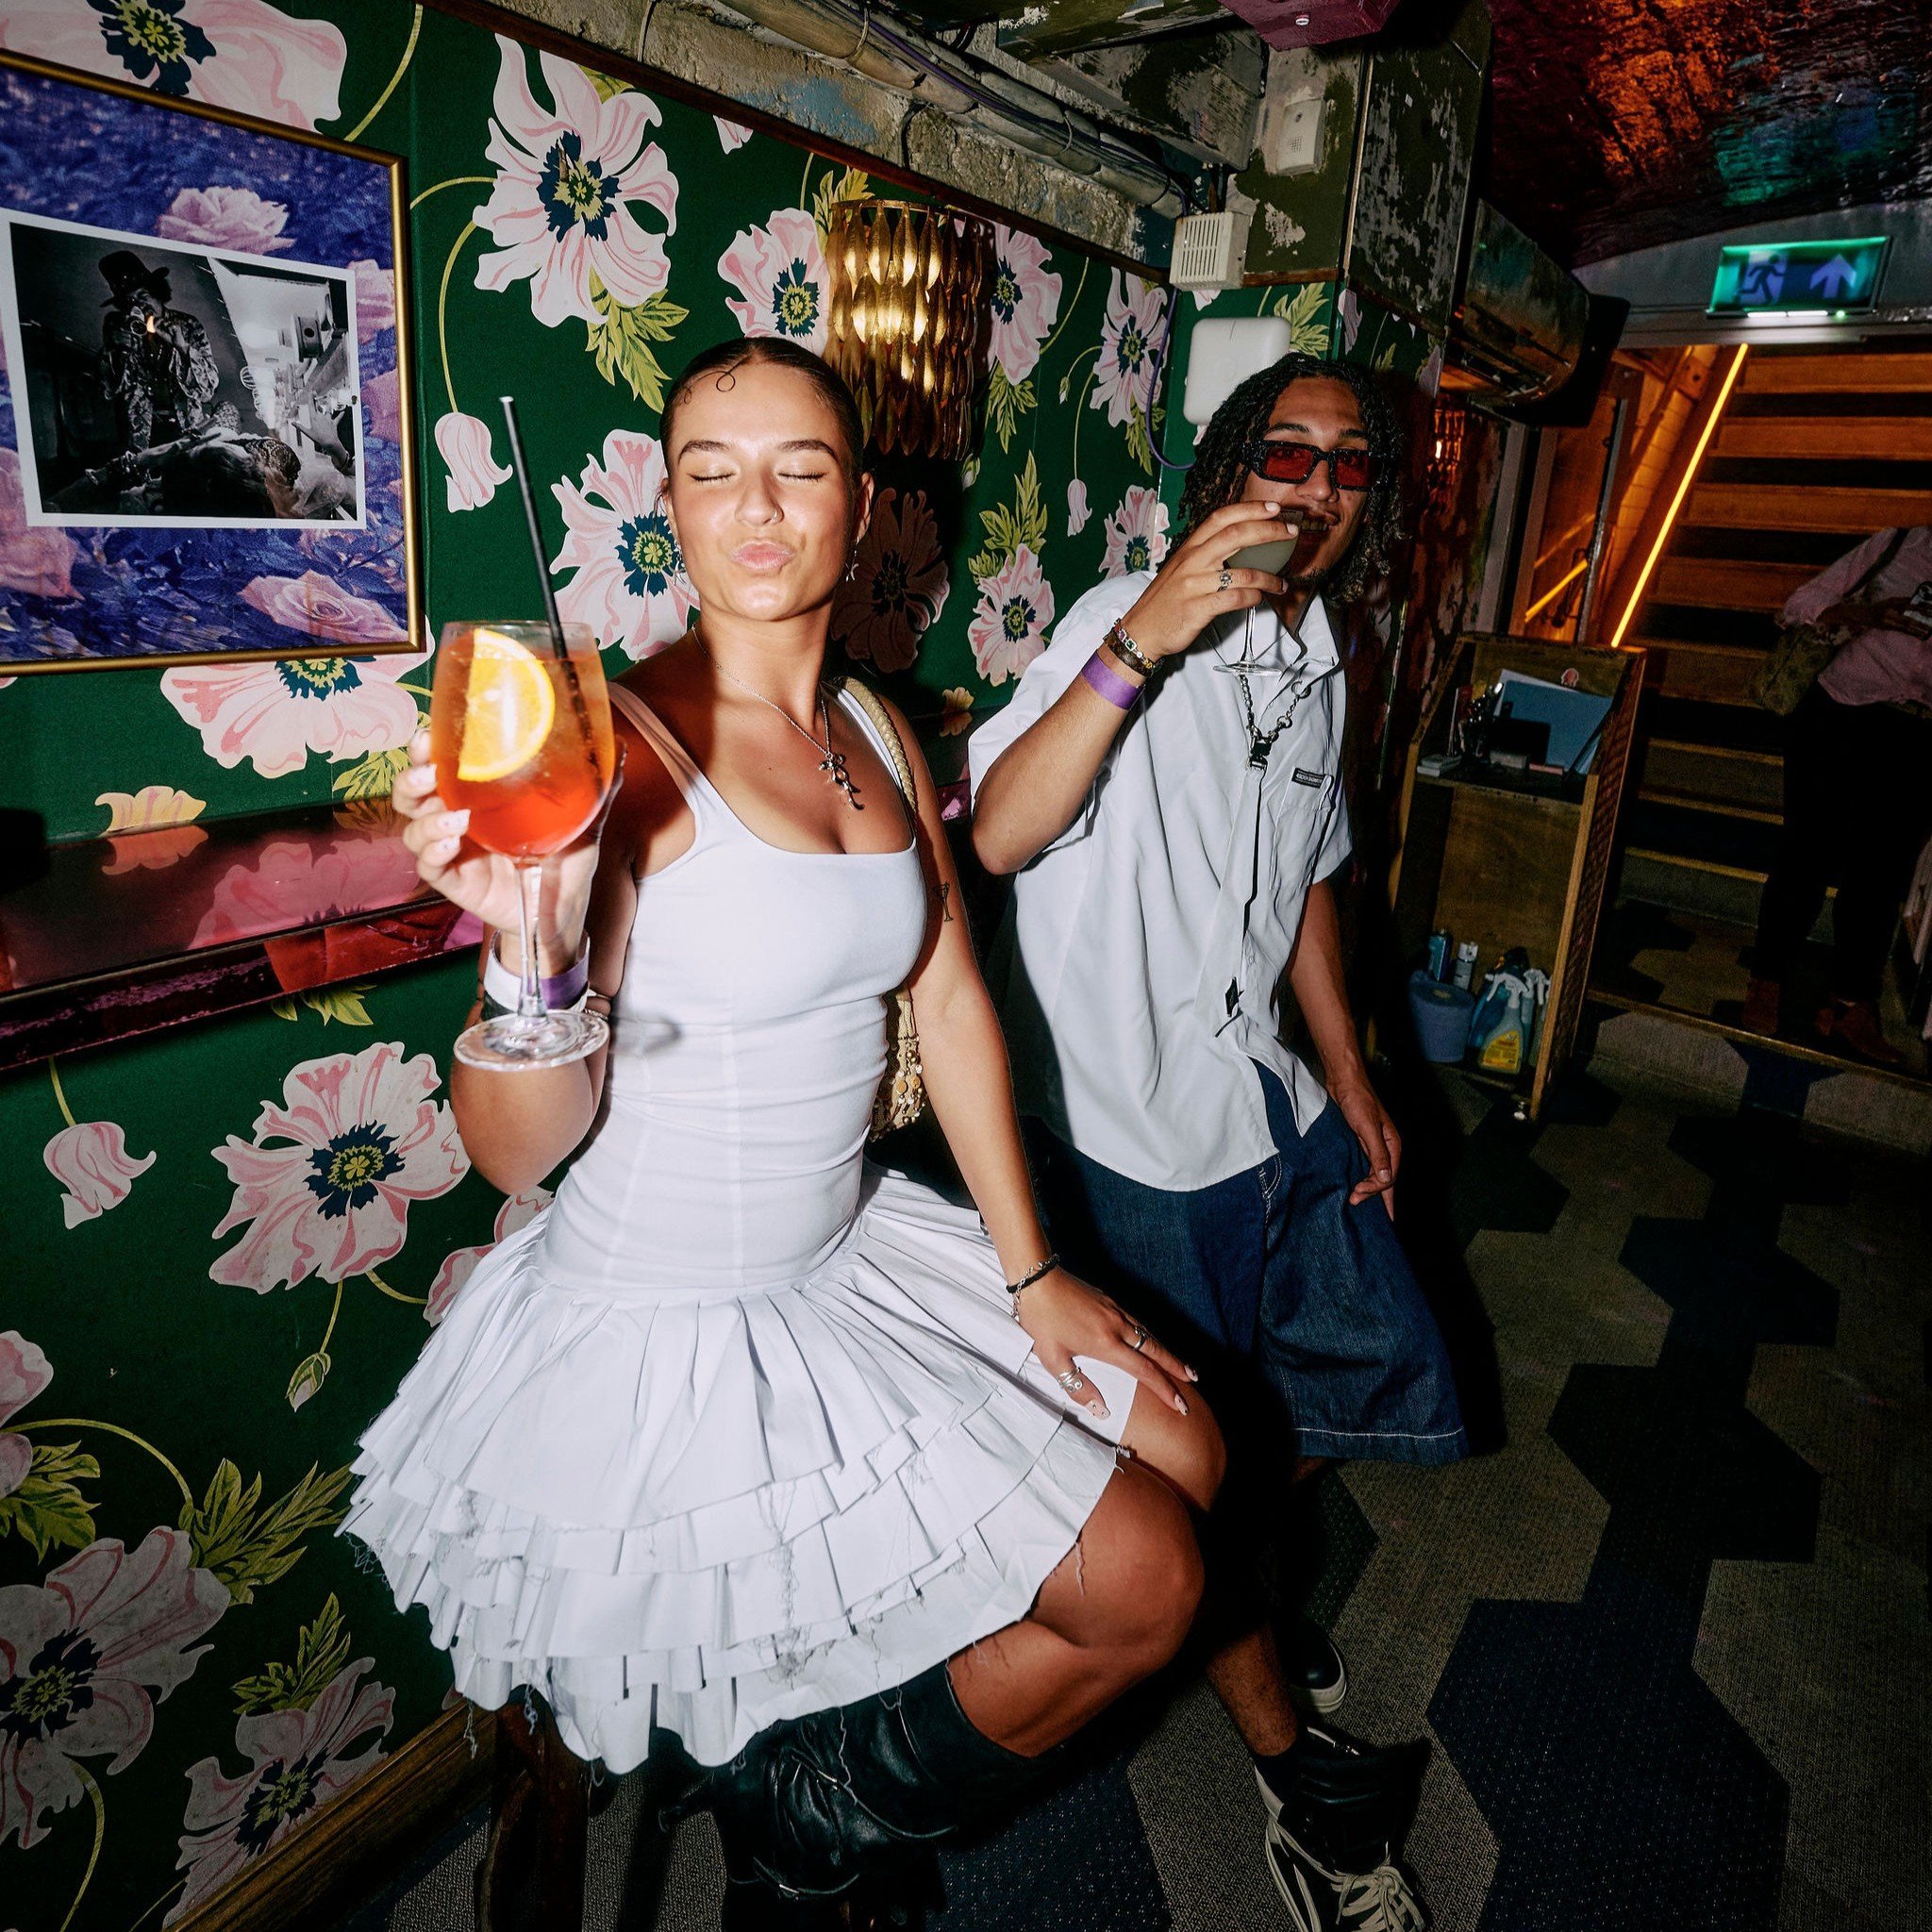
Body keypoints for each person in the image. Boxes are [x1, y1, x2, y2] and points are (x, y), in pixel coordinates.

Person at [346, 339, 1224, 1923]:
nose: (755, 509)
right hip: (670, 1309)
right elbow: (510, 1153)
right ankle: (812, 1814)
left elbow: (948, 999)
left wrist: (1034, 1278)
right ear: (665, 502)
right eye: (710, 471)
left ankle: (809, 1790)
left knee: (1190, 1449)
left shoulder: (878, 727)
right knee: (1146, 1579)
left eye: (798, 469)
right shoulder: (613, 753)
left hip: (847, 1250)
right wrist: (534, 949)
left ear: (861, 501)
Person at [969, 351, 1463, 1931]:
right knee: (1200, 1462)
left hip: (1270, 1098)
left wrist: (1353, 1064)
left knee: (1372, 1364)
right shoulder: (1134, 613)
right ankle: (1296, 1788)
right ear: (1223, 466)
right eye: (1281, 451)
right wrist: (1140, 639)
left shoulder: (1327, 643)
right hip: (1127, 1132)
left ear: (1367, 505)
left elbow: (1311, 869)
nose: (1308, 486)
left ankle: (1229, 1577)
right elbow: (994, 833)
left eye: (1344, 465)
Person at [1744, 524, 1932, 1065]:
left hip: (1920, 735)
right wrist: (1868, 614)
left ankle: (1851, 1006)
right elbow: (1802, 603)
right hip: (1843, 710)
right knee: (1808, 848)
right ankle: (1767, 978)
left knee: (1881, 873)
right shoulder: (1901, 544)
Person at [96, 250, 218, 455]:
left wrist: (183, 348)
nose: (139, 305)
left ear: (158, 294)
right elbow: (109, 390)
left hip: (187, 429)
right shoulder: (116, 325)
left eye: (143, 296)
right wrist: (116, 353)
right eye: (130, 301)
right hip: (141, 433)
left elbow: (207, 391)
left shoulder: (188, 325)